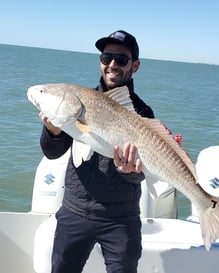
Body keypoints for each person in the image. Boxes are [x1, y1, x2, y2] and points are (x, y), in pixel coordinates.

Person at [39, 30, 155, 273]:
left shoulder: (143, 113)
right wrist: (53, 132)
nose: (112, 64)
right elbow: (53, 153)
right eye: (106, 57)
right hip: (75, 211)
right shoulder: (76, 102)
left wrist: (130, 172)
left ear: (135, 66)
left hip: (120, 218)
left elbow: (141, 172)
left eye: (121, 60)